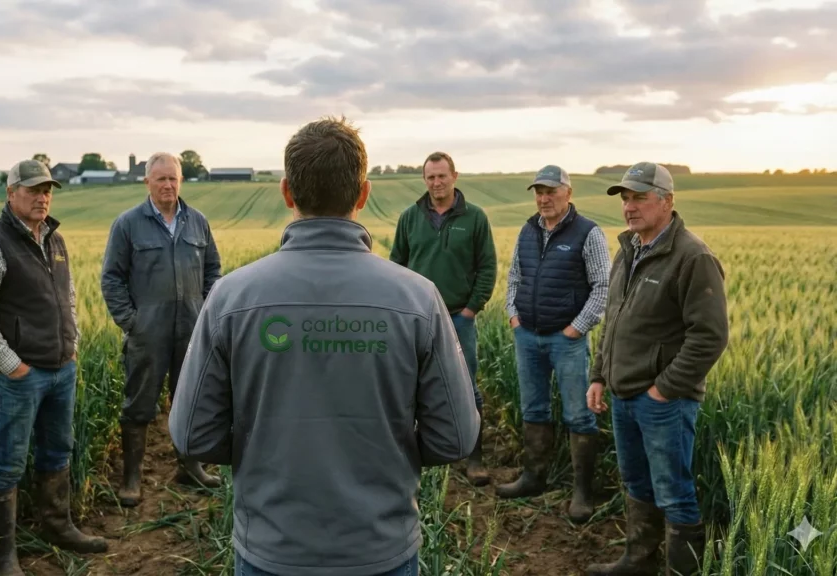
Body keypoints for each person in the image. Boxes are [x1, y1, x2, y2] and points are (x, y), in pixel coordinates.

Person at [168, 116, 480, 576]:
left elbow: (193, 433)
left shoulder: (231, 297)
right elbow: (454, 436)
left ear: (287, 192)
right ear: (363, 194)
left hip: (271, 551)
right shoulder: (418, 298)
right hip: (381, 548)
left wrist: (265, 448)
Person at [0, 159, 108, 576]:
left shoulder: (54, 239)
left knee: (58, 450)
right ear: (10, 193)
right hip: (19, 378)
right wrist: (13, 367)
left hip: (62, 369)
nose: (43, 196)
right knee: (7, 463)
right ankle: (3, 556)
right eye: (33, 189)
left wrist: (72, 346)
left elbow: (70, 297)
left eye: (47, 189)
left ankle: (58, 526)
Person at [585, 162, 728, 576]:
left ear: (666, 201)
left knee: (674, 493)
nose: (629, 207)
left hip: (662, 401)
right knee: (636, 483)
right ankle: (639, 561)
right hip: (623, 394)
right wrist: (599, 375)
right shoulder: (628, 249)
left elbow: (710, 336)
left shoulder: (692, 256)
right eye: (625, 198)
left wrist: (663, 389)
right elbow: (613, 321)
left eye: (639, 197)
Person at [100, 152, 223, 507]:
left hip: (190, 331)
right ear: (147, 183)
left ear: (180, 181)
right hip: (147, 335)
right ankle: (132, 478)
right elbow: (111, 278)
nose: (168, 185)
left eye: (173, 179)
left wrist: (203, 312)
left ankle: (190, 467)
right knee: (138, 405)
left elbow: (213, 269)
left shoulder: (197, 221)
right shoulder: (127, 224)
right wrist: (132, 322)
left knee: (191, 399)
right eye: (160, 180)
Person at [496, 165, 611, 524]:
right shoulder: (528, 230)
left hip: (567, 341)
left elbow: (603, 288)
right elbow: (514, 276)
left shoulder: (588, 232)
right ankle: (533, 477)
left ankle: (581, 492)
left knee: (579, 414)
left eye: (551, 191)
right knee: (533, 408)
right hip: (527, 335)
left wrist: (576, 329)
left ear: (568, 193)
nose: (543, 198)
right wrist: (513, 315)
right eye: (538, 192)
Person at [388, 151, 497, 486]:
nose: (436, 182)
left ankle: (474, 459)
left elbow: (488, 267)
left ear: (455, 176)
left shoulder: (475, 218)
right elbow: (397, 266)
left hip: (458, 319)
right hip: (417, 319)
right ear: (425, 180)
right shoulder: (410, 217)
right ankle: (415, 455)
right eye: (430, 177)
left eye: (442, 176)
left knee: (466, 385)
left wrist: (470, 309)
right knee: (410, 384)